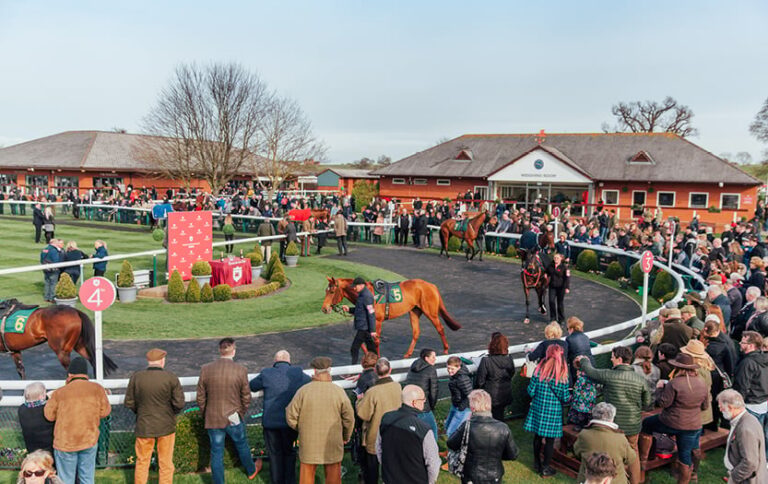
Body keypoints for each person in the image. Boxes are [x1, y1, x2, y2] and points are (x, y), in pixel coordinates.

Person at [196, 338, 260, 484]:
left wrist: (207, 413)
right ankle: (251, 471)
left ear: (220, 351)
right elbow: (246, 396)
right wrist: (241, 413)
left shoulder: (206, 369)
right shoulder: (241, 370)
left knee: (216, 452)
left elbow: (200, 396)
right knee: (242, 445)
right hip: (233, 416)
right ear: (234, 351)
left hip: (213, 417)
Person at [640, 353, 709, 482]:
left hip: (671, 422)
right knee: (686, 453)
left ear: (678, 367)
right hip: (693, 424)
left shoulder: (674, 383)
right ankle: (693, 475)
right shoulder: (702, 383)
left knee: (647, 424)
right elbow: (705, 406)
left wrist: (659, 389)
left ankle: (643, 462)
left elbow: (663, 403)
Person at [286, 356, 354, 484]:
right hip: (333, 441)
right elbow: (349, 418)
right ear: (329, 371)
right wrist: (345, 436)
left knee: (306, 478)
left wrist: (301, 428)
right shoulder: (338, 392)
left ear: (314, 371)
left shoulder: (303, 391)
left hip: (308, 442)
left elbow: (290, 415)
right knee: (333, 478)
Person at [44, 357, 111, 484]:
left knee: (65, 480)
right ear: (85, 373)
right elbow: (105, 412)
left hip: (65, 443)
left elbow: (49, 416)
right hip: (89, 440)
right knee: (87, 478)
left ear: (70, 374)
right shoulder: (97, 389)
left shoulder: (60, 393)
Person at [124, 348, 185, 484]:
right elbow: (179, 403)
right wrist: (171, 413)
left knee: (142, 461)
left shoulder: (136, 377)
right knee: (166, 462)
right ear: (162, 361)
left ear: (148, 361)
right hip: (166, 426)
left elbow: (129, 402)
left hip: (144, 425)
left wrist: (140, 412)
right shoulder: (171, 377)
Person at [577, 347, 651, 458]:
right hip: (633, 425)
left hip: (613, 425)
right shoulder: (641, 379)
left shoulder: (609, 375)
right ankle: (638, 470)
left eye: (612, 357)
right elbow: (647, 402)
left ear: (619, 359)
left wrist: (583, 360)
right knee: (633, 451)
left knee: (612, 453)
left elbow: (591, 372)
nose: (611, 359)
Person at [249, 350, 310, 484]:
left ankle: (277, 481)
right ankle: (290, 481)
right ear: (289, 360)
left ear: (275, 361)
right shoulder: (297, 372)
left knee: (274, 454)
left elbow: (252, 386)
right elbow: (310, 382)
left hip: (271, 424)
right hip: (290, 422)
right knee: (289, 452)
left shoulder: (267, 373)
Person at [446, 389, 519, 484]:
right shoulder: (503, 427)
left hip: (470, 476)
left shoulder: (467, 426)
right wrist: (497, 455)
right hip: (494, 476)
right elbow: (513, 454)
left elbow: (451, 444)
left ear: (473, 408)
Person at [376, 385, 440, 484]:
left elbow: (379, 449)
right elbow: (433, 464)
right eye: (423, 400)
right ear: (415, 402)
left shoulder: (386, 419)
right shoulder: (424, 429)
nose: (424, 402)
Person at [524, 344, 571, 477]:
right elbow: (565, 398)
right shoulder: (562, 375)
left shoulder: (539, 371)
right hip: (553, 412)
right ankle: (545, 467)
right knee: (550, 441)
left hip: (538, 408)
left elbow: (530, 391)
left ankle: (536, 463)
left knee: (538, 437)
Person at [356, 358, 401, 484]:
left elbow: (364, 414)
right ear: (390, 370)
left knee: (372, 469)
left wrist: (359, 401)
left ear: (375, 371)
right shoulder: (398, 387)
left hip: (375, 434)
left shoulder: (372, 392)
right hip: (394, 431)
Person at [573, 403, 639, 484]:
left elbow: (577, 452)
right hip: (615, 480)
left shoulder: (584, 434)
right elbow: (631, 458)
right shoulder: (620, 438)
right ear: (612, 418)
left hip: (588, 479)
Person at [718, 389, 768, 484]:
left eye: (721, 407)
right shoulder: (745, 419)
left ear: (731, 407)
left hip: (747, 480)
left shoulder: (746, 429)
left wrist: (734, 477)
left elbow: (750, 463)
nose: (720, 410)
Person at [733, 331, 768, 455]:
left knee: (747, 441)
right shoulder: (764, 359)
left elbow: (742, 387)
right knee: (761, 438)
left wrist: (737, 407)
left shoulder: (747, 363)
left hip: (750, 405)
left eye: (743, 342)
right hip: (763, 404)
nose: (740, 344)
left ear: (751, 345)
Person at [475, 332, 515, 421]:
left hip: (491, 396)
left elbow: (480, 381)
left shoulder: (486, 360)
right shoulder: (509, 358)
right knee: (500, 416)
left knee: (493, 418)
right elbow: (512, 373)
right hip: (505, 393)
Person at [404, 348, 439, 439]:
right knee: (433, 430)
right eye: (433, 357)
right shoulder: (431, 369)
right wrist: (432, 407)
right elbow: (433, 392)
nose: (435, 359)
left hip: (410, 405)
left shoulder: (413, 365)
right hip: (423, 407)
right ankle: (433, 447)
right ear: (426, 358)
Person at [341, 276, 377, 365]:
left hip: (364, 328)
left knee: (354, 348)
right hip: (364, 327)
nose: (354, 288)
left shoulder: (366, 296)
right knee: (371, 349)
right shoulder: (361, 295)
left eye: (355, 286)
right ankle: (376, 364)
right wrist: (349, 309)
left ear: (361, 285)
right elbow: (359, 309)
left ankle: (353, 367)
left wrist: (373, 330)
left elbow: (371, 313)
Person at [18, 382, 55, 455]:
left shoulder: (21, 409)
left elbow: (34, 404)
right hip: (49, 448)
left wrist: (46, 396)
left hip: (32, 448)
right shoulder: (46, 409)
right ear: (41, 396)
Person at [445, 356, 473, 437]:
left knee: (451, 431)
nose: (449, 371)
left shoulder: (462, 378)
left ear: (459, 367)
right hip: (456, 404)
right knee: (447, 426)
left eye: (452, 369)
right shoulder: (456, 376)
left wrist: (461, 407)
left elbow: (470, 395)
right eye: (448, 368)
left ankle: (453, 444)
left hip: (463, 408)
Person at [565, 316, 593, 385]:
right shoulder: (585, 337)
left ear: (571, 328)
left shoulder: (569, 339)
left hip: (577, 368)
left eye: (567, 329)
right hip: (590, 366)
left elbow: (567, 356)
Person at [546, 252, 570, 324]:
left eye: (557, 258)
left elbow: (567, 278)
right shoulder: (550, 266)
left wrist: (567, 287)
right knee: (551, 301)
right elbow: (547, 272)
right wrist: (546, 274)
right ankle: (553, 318)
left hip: (561, 287)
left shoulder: (564, 267)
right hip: (552, 287)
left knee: (560, 303)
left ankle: (561, 319)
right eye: (555, 258)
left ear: (561, 259)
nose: (556, 259)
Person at [40, 238, 62, 303]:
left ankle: (46, 297)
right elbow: (56, 261)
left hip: (45, 268)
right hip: (53, 270)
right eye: (57, 243)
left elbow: (41, 259)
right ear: (54, 243)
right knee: (53, 284)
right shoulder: (54, 250)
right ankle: (52, 298)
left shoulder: (44, 249)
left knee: (47, 283)